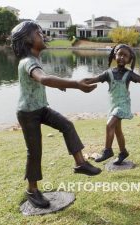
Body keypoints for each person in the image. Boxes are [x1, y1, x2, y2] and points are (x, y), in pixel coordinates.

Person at [11, 21, 101, 208]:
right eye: (38, 33)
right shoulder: (27, 62)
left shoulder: (34, 60)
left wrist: (59, 84)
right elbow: (43, 78)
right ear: (28, 39)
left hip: (41, 108)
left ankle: (80, 163)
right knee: (34, 152)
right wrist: (75, 83)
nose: (42, 35)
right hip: (28, 113)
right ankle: (32, 190)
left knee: (67, 125)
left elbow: (42, 80)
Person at [85, 44, 140, 165]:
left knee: (109, 125)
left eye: (125, 55)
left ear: (129, 59)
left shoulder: (129, 74)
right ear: (114, 56)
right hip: (113, 105)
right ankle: (123, 152)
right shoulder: (108, 73)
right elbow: (91, 80)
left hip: (122, 105)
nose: (122, 57)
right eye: (120, 54)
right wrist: (74, 83)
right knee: (117, 130)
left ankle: (107, 150)